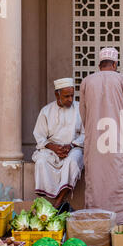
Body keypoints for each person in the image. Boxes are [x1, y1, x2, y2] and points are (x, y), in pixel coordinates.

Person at [79, 47, 123, 225]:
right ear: (115, 64)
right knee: (122, 180)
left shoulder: (87, 82)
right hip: (118, 141)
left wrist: (93, 132)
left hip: (95, 142)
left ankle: (97, 222)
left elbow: (83, 114)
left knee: (96, 181)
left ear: (100, 64)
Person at [32, 78, 85, 212]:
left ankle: (58, 202)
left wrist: (71, 145)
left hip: (74, 147)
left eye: (72, 96)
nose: (70, 99)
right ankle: (43, 202)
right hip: (51, 148)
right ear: (57, 95)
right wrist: (53, 147)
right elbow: (39, 135)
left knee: (72, 162)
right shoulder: (46, 111)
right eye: (66, 96)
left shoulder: (80, 109)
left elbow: (86, 133)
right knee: (41, 161)